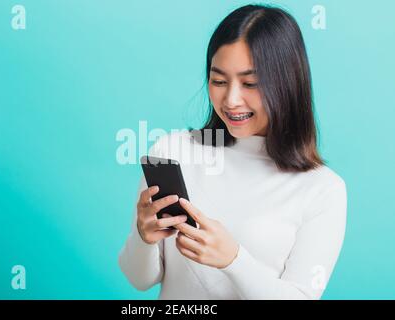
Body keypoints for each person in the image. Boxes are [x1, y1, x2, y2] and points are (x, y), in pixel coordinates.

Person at [118, 4, 347, 300]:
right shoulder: (173, 151)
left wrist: (234, 260)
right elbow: (138, 279)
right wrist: (143, 236)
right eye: (219, 81)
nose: (231, 99)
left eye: (250, 83)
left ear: (287, 84)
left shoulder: (323, 190)